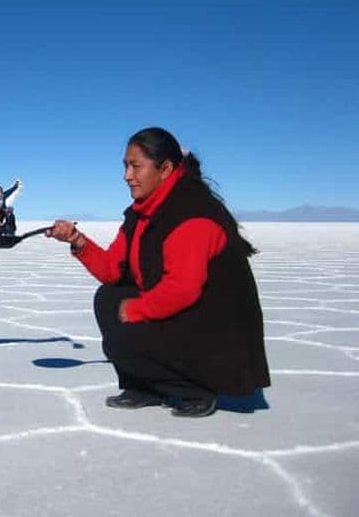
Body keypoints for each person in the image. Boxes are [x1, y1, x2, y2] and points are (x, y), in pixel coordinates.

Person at [46, 127, 270, 418]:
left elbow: (183, 290)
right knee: (109, 299)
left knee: (124, 325)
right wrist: (77, 240)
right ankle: (144, 387)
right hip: (183, 314)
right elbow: (114, 270)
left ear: (165, 169)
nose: (127, 175)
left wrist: (136, 310)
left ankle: (197, 389)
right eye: (125, 166)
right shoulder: (142, 212)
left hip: (215, 330)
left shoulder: (192, 214)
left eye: (136, 166)